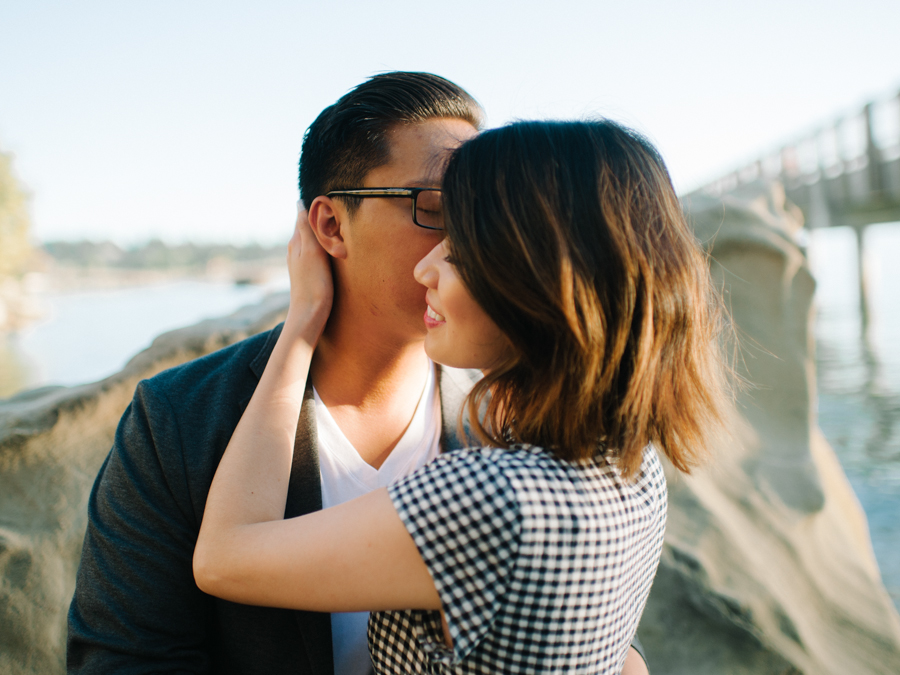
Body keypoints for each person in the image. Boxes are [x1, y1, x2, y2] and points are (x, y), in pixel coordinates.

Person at [66, 71, 650, 675]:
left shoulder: (516, 423)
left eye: (484, 212)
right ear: (329, 226)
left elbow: (596, 635)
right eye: (441, 207)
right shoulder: (179, 421)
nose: (467, 242)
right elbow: (125, 659)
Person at [193, 120, 732, 673]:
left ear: (537, 275)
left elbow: (222, 557)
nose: (427, 266)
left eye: (461, 247)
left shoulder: (488, 497)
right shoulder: (634, 467)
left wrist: (302, 320)